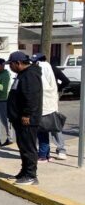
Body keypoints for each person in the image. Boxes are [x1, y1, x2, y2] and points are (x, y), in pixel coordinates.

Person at [7, 51, 42, 186]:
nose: (10, 67)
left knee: (28, 147)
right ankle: (24, 171)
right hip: (19, 118)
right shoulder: (22, 75)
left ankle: (31, 175)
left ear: (18, 63)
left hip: (27, 119)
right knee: (23, 147)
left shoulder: (30, 75)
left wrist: (27, 114)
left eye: (11, 64)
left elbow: (31, 97)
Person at [33, 53, 70, 160]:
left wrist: (55, 88)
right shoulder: (50, 68)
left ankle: (59, 149)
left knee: (52, 125)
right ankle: (55, 150)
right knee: (51, 125)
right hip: (49, 99)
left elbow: (66, 81)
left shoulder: (47, 68)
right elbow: (66, 81)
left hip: (48, 100)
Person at [31, 53, 60, 163]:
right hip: (49, 105)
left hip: (44, 106)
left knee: (41, 132)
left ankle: (42, 155)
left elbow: (41, 86)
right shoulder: (48, 66)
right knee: (45, 132)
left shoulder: (42, 67)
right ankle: (47, 155)